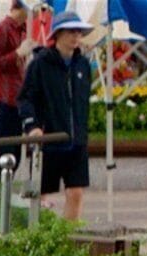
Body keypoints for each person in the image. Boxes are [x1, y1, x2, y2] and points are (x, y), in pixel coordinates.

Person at [18, 17, 95, 221]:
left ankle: (69, 238)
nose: (76, 36)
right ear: (58, 34)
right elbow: (26, 99)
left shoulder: (83, 65)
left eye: (78, 32)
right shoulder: (41, 64)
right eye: (71, 32)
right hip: (50, 140)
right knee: (39, 194)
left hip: (76, 141)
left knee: (75, 192)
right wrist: (33, 126)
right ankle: (37, 234)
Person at [0, 6, 31, 160]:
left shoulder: (24, 29)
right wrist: (17, 53)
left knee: (16, 153)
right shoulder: (3, 28)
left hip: (18, 99)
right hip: (5, 99)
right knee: (5, 149)